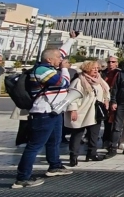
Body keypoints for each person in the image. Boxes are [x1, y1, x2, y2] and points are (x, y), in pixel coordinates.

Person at [13, 31, 77, 189]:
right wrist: (64, 69)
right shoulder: (42, 70)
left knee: (54, 141)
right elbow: (62, 83)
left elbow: (61, 52)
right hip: (43, 114)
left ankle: (54, 165)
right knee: (34, 145)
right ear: (49, 59)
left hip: (54, 112)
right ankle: (22, 178)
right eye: (58, 58)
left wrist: (72, 39)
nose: (61, 59)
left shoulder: (49, 65)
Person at [65, 60, 109, 166]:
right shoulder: (79, 81)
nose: (96, 70)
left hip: (95, 112)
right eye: (93, 68)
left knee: (94, 134)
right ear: (86, 69)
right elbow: (72, 97)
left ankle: (92, 153)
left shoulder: (99, 80)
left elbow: (106, 90)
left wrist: (106, 99)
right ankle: (73, 156)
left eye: (96, 68)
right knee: (77, 134)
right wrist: (73, 110)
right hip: (82, 111)